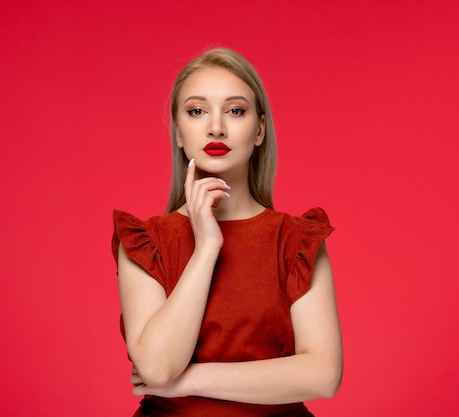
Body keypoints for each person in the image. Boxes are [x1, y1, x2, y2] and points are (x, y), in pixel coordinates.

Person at [112, 47, 343, 416]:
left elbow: (323, 375)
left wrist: (187, 382)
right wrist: (206, 248)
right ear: (178, 133)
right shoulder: (145, 242)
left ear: (259, 130)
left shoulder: (296, 239)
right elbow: (156, 367)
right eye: (196, 111)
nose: (216, 126)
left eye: (235, 111)